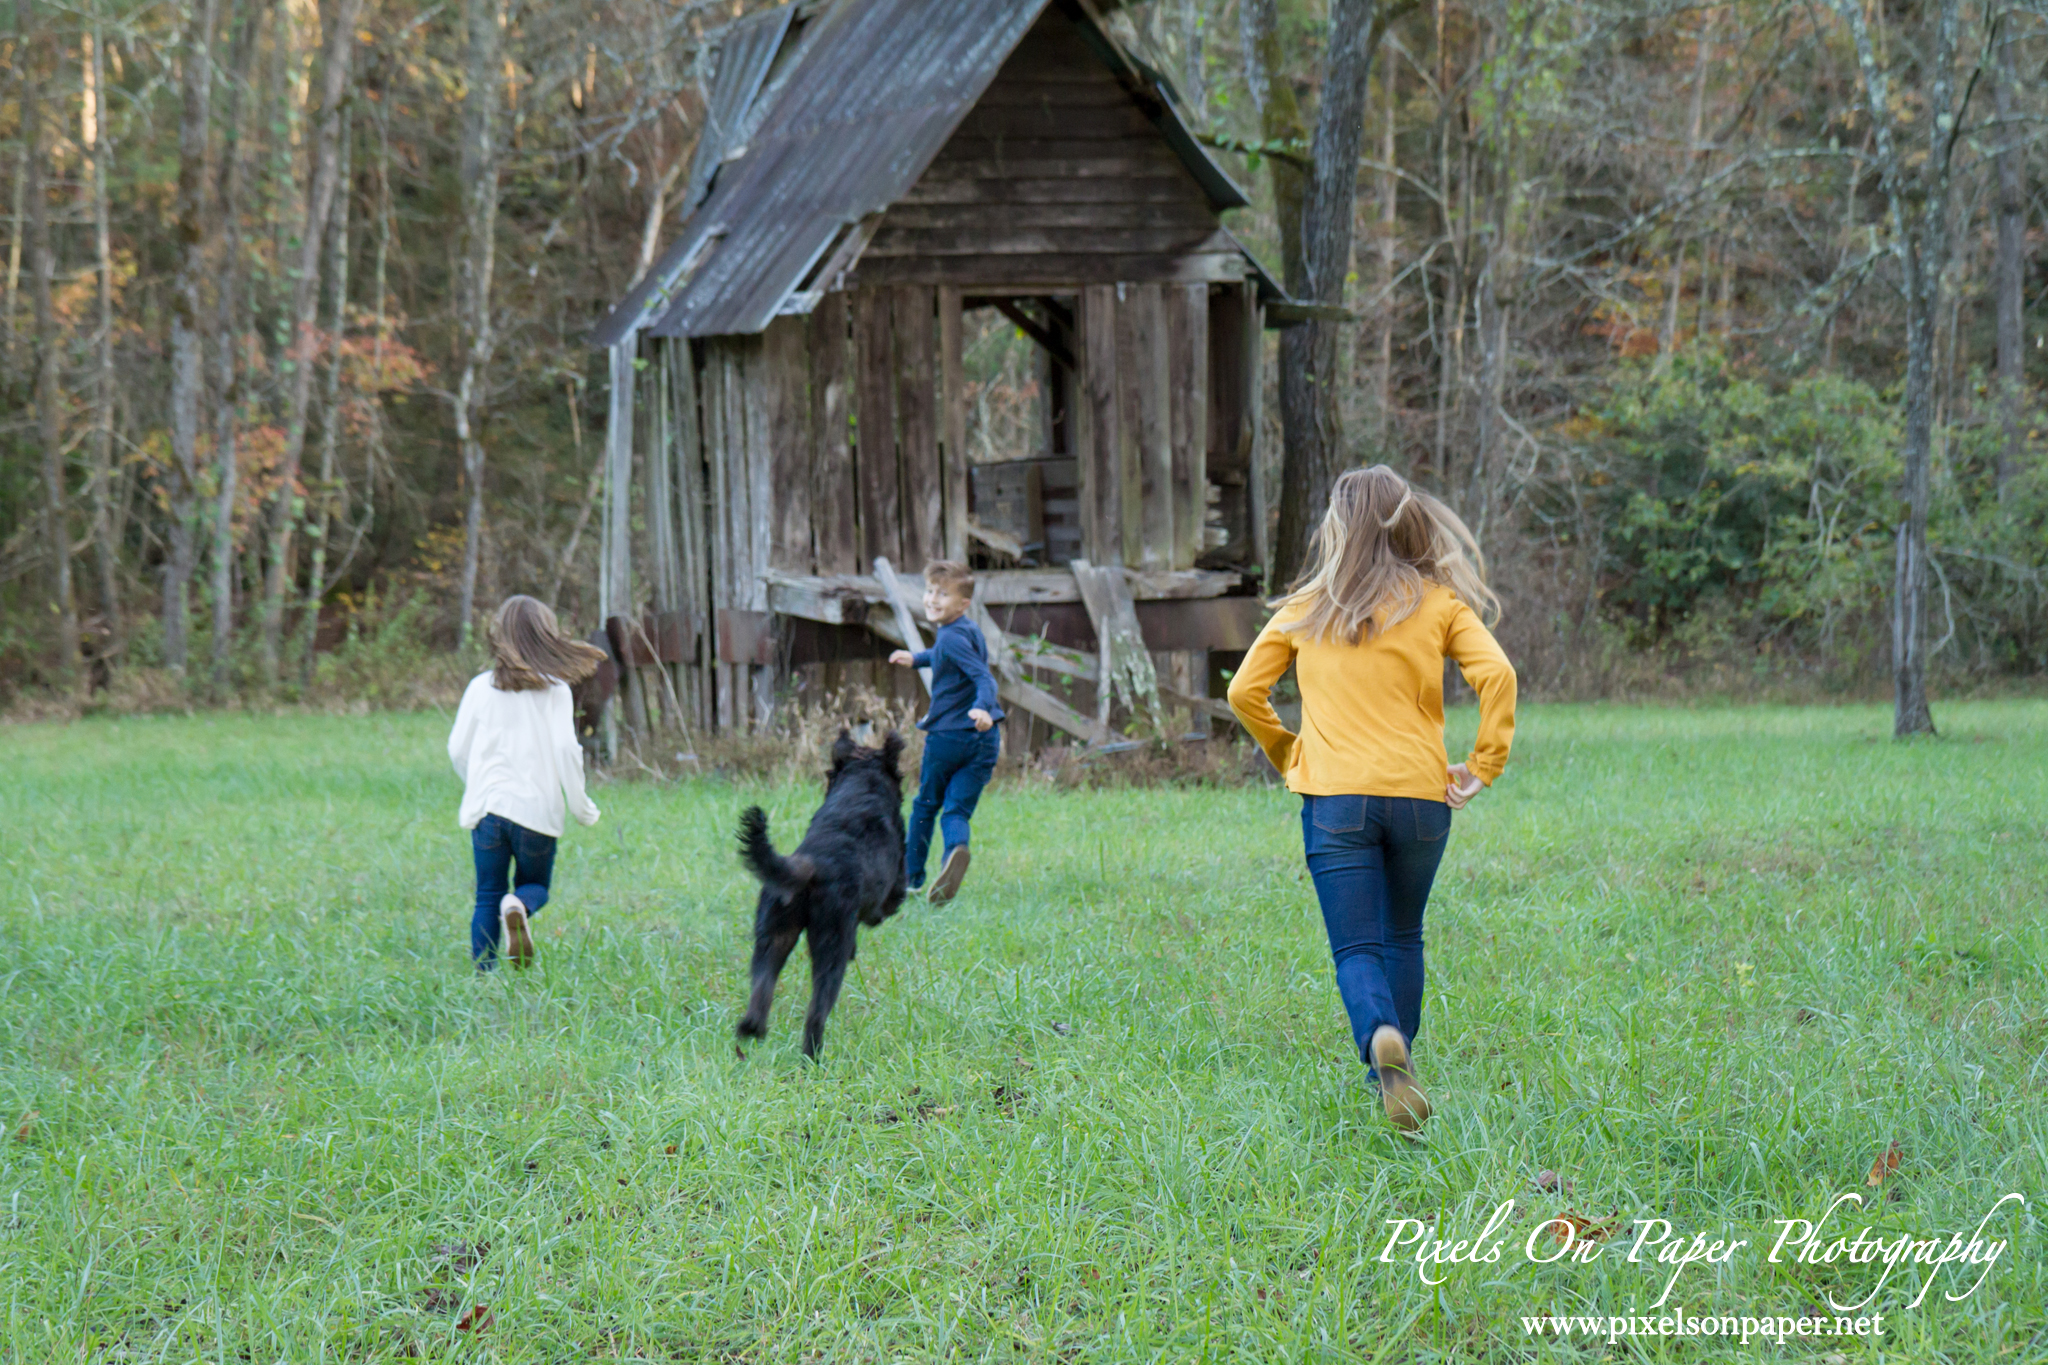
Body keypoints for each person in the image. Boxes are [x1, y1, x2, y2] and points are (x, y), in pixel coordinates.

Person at [1228, 467, 1516, 1130]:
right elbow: (1497, 674)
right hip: (1421, 800)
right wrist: (1483, 763)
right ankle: (1397, 1062)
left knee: (1357, 948)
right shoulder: (1438, 600)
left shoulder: (1306, 604)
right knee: (1403, 932)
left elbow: (1244, 691)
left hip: (1336, 801)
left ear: (1338, 527)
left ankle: (1382, 1042)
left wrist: (1288, 752)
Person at [447, 595, 607, 971]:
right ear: (545, 636)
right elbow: (568, 750)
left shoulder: (479, 687)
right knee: (535, 887)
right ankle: (518, 907)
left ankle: (484, 976)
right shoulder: (555, 691)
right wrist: (581, 805)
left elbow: (457, 748)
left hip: (488, 809)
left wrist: (476, 784)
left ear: (498, 636)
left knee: (487, 894)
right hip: (536, 813)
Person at [888, 560, 1004, 905]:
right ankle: (955, 852)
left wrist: (981, 705)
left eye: (942, 594)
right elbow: (945, 655)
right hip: (985, 740)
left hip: (950, 736)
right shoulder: (966, 630)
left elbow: (984, 678)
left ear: (963, 603)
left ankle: (911, 880)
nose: (932, 599)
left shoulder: (951, 637)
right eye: (929, 591)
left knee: (925, 806)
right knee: (956, 811)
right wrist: (918, 658)